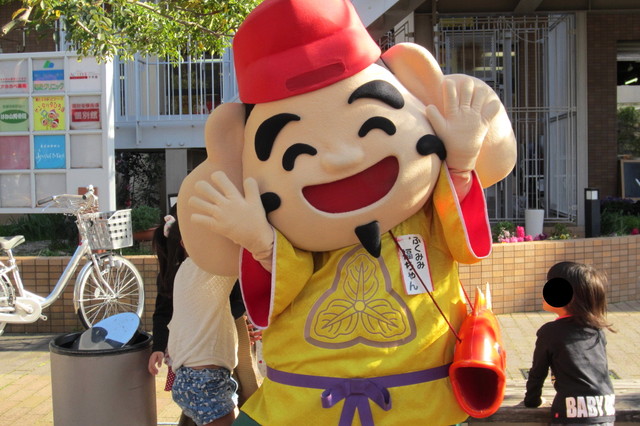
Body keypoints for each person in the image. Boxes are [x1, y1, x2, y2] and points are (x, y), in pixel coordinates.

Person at [524, 261, 616, 425]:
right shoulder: (597, 331)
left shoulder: (550, 332)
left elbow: (537, 374)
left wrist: (532, 401)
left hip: (571, 416)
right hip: (605, 412)